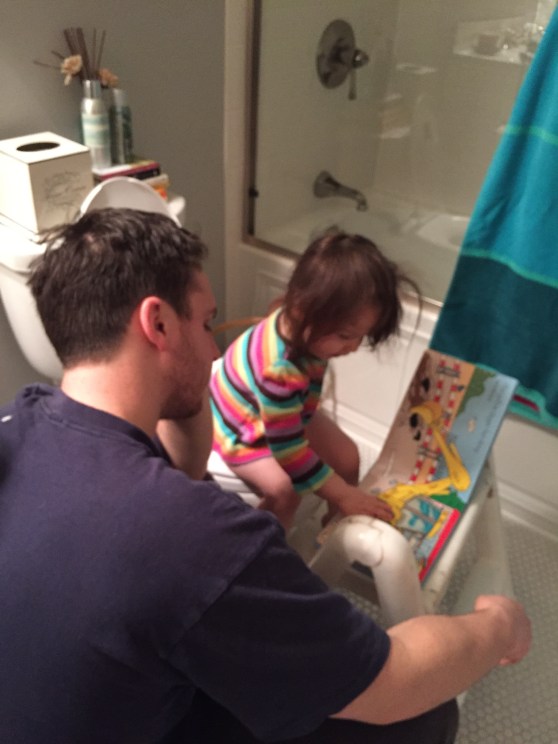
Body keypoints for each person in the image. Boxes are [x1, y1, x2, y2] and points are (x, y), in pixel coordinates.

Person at [0, 208, 531, 744]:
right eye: (205, 323)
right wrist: (499, 626)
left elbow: (182, 476)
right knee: (423, 716)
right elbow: (391, 682)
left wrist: (183, 395)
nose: (215, 350)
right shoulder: (196, 537)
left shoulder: (18, 419)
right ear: (157, 324)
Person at [210, 233, 416, 529]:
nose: (354, 347)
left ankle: (336, 527)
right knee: (284, 492)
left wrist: (342, 495)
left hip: (277, 409)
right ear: (301, 309)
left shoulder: (297, 318)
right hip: (240, 428)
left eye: (361, 336)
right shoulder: (281, 372)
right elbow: (288, 450)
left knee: (348, 457)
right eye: (345, 336)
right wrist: (343, 494)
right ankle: (265, 544)